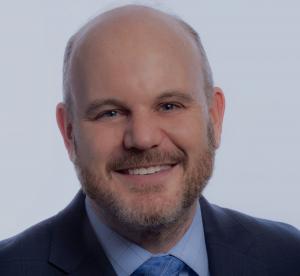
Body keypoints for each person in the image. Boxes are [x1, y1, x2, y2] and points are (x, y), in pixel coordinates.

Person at [0, 4, 300, 276]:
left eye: (169, 106)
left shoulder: (288, 258)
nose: (143, 138)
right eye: (111, 113)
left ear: (214, 117)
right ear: (68, 132)